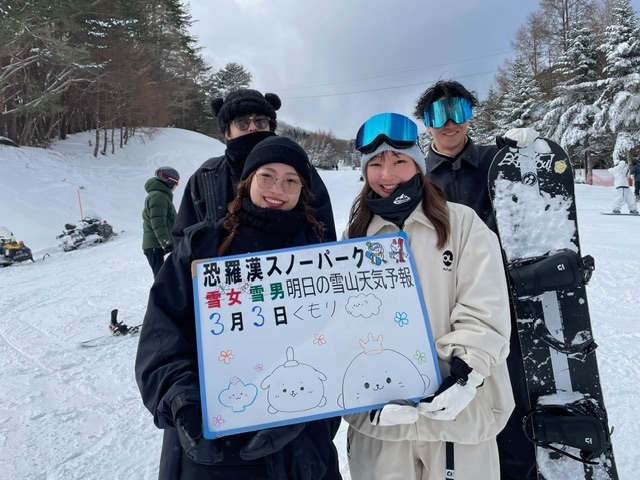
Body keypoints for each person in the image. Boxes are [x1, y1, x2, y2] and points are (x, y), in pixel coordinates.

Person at [135, 136, 342, 480]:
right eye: (267, 176)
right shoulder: (202, 247)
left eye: (291, 180)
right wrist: (183, 402)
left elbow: (337, 346)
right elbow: (163, 332)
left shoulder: (320, 260)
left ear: (303, 192)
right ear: (247, 182)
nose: (278, 187)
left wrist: (305, 416)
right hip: (211, 443)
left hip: (296, 445)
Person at [343, 112, 514, 480]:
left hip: (459, 418)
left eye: (399, 161)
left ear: (418, 165)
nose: (387, 176)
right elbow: (344, 325)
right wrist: (361, 389)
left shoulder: (462, 223)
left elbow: (486, 307)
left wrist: (465, 376)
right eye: (375, 163)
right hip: (383, 424)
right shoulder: (355, 239)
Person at [414, 80, 538, 480]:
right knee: (456, 393)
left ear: (471, 114)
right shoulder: (416, 176)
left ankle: (519, 471)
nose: (449, 124)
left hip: (496, 304)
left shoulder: (495, 160)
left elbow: (538, 199)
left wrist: (528, 155)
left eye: (459, 111)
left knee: (510, 393)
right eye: (438, 115)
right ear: (426, 123)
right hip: (442, 302)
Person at [172, 88, 336, 244]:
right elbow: (184, 237)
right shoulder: (206, 175)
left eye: (261, 120)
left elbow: (324, 230)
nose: (253, 127)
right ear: (227, 132)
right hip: (228, 271)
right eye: (242, 122)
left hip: (291, 268)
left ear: (271, 126)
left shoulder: (296, 167)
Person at [142, 166, 180, 277]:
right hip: (157, 246)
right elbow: (158, 222)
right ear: (169, 182)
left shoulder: (160, 196)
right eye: (176, 183)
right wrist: (166, 243)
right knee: (163, 280)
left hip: (157, 246)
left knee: (166, 278)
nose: (175, 187)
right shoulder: (158, 197)